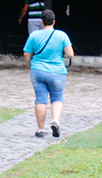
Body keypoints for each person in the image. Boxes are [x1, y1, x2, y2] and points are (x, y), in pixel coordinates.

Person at [22, 9, 74, 138]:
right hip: (57, 72)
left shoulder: (34, 35)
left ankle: (40, 129)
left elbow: (26, 54)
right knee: (57, 98)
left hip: (38, 71)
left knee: (40, 99)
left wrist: (30, 66)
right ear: (54, 22)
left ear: (42, 22)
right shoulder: (62, 35)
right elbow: (70, 54)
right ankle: (55, 121)